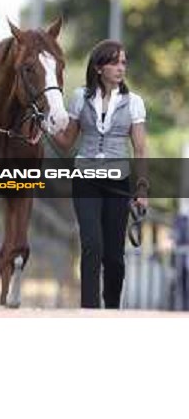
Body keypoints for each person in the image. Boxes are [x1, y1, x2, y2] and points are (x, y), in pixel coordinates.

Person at [52, 39, 148, 309]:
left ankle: (112, 307)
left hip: (118, 181)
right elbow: (67, 141)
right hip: (86, 180)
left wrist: (142, 188)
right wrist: (45, 126)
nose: (121, 68)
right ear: (98, 67)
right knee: (92, 245)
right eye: (115, 62)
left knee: (114, 256)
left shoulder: (134, 103)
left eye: (124, 62)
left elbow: (140, 149)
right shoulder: (79, 97)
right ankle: (90, 311)